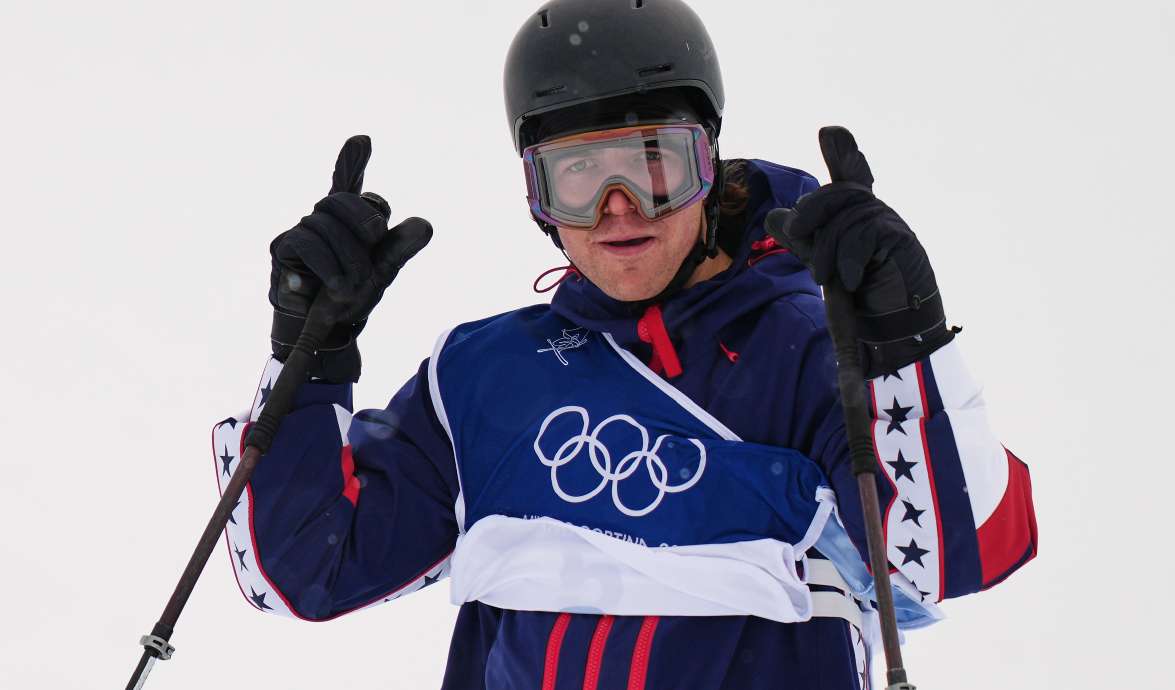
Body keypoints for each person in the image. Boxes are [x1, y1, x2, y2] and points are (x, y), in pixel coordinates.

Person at [210, 1, 1038, 688]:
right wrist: (307, 365)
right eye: (578, 176)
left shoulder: (811, 354)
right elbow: (302, 570)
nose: (618, 206)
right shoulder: (484, 376)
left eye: (654, 165)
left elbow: (958, 558)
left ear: (708, 165)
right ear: (538, 198)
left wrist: (905, 344)